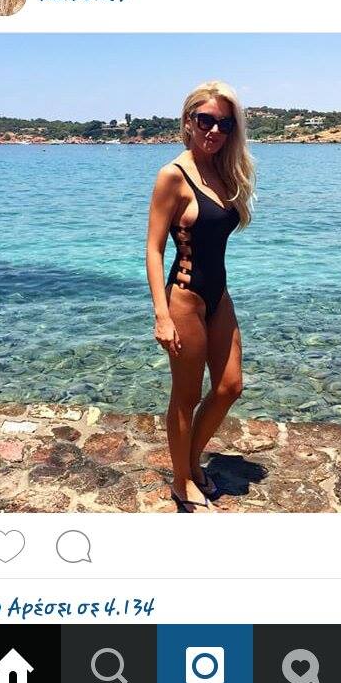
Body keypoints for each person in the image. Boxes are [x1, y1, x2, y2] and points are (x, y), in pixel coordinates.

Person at [146, 81, 255, 512]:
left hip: (219, 296)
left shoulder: (224, 172)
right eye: (206, 120)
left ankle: (190, 461)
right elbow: (154, 249)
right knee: (186, 396)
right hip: (185, 297)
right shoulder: (173, 175)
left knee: (230, 386)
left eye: (224, 124)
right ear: (188, 121)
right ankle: (180, 480)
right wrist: (162, 316)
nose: (214, 130)